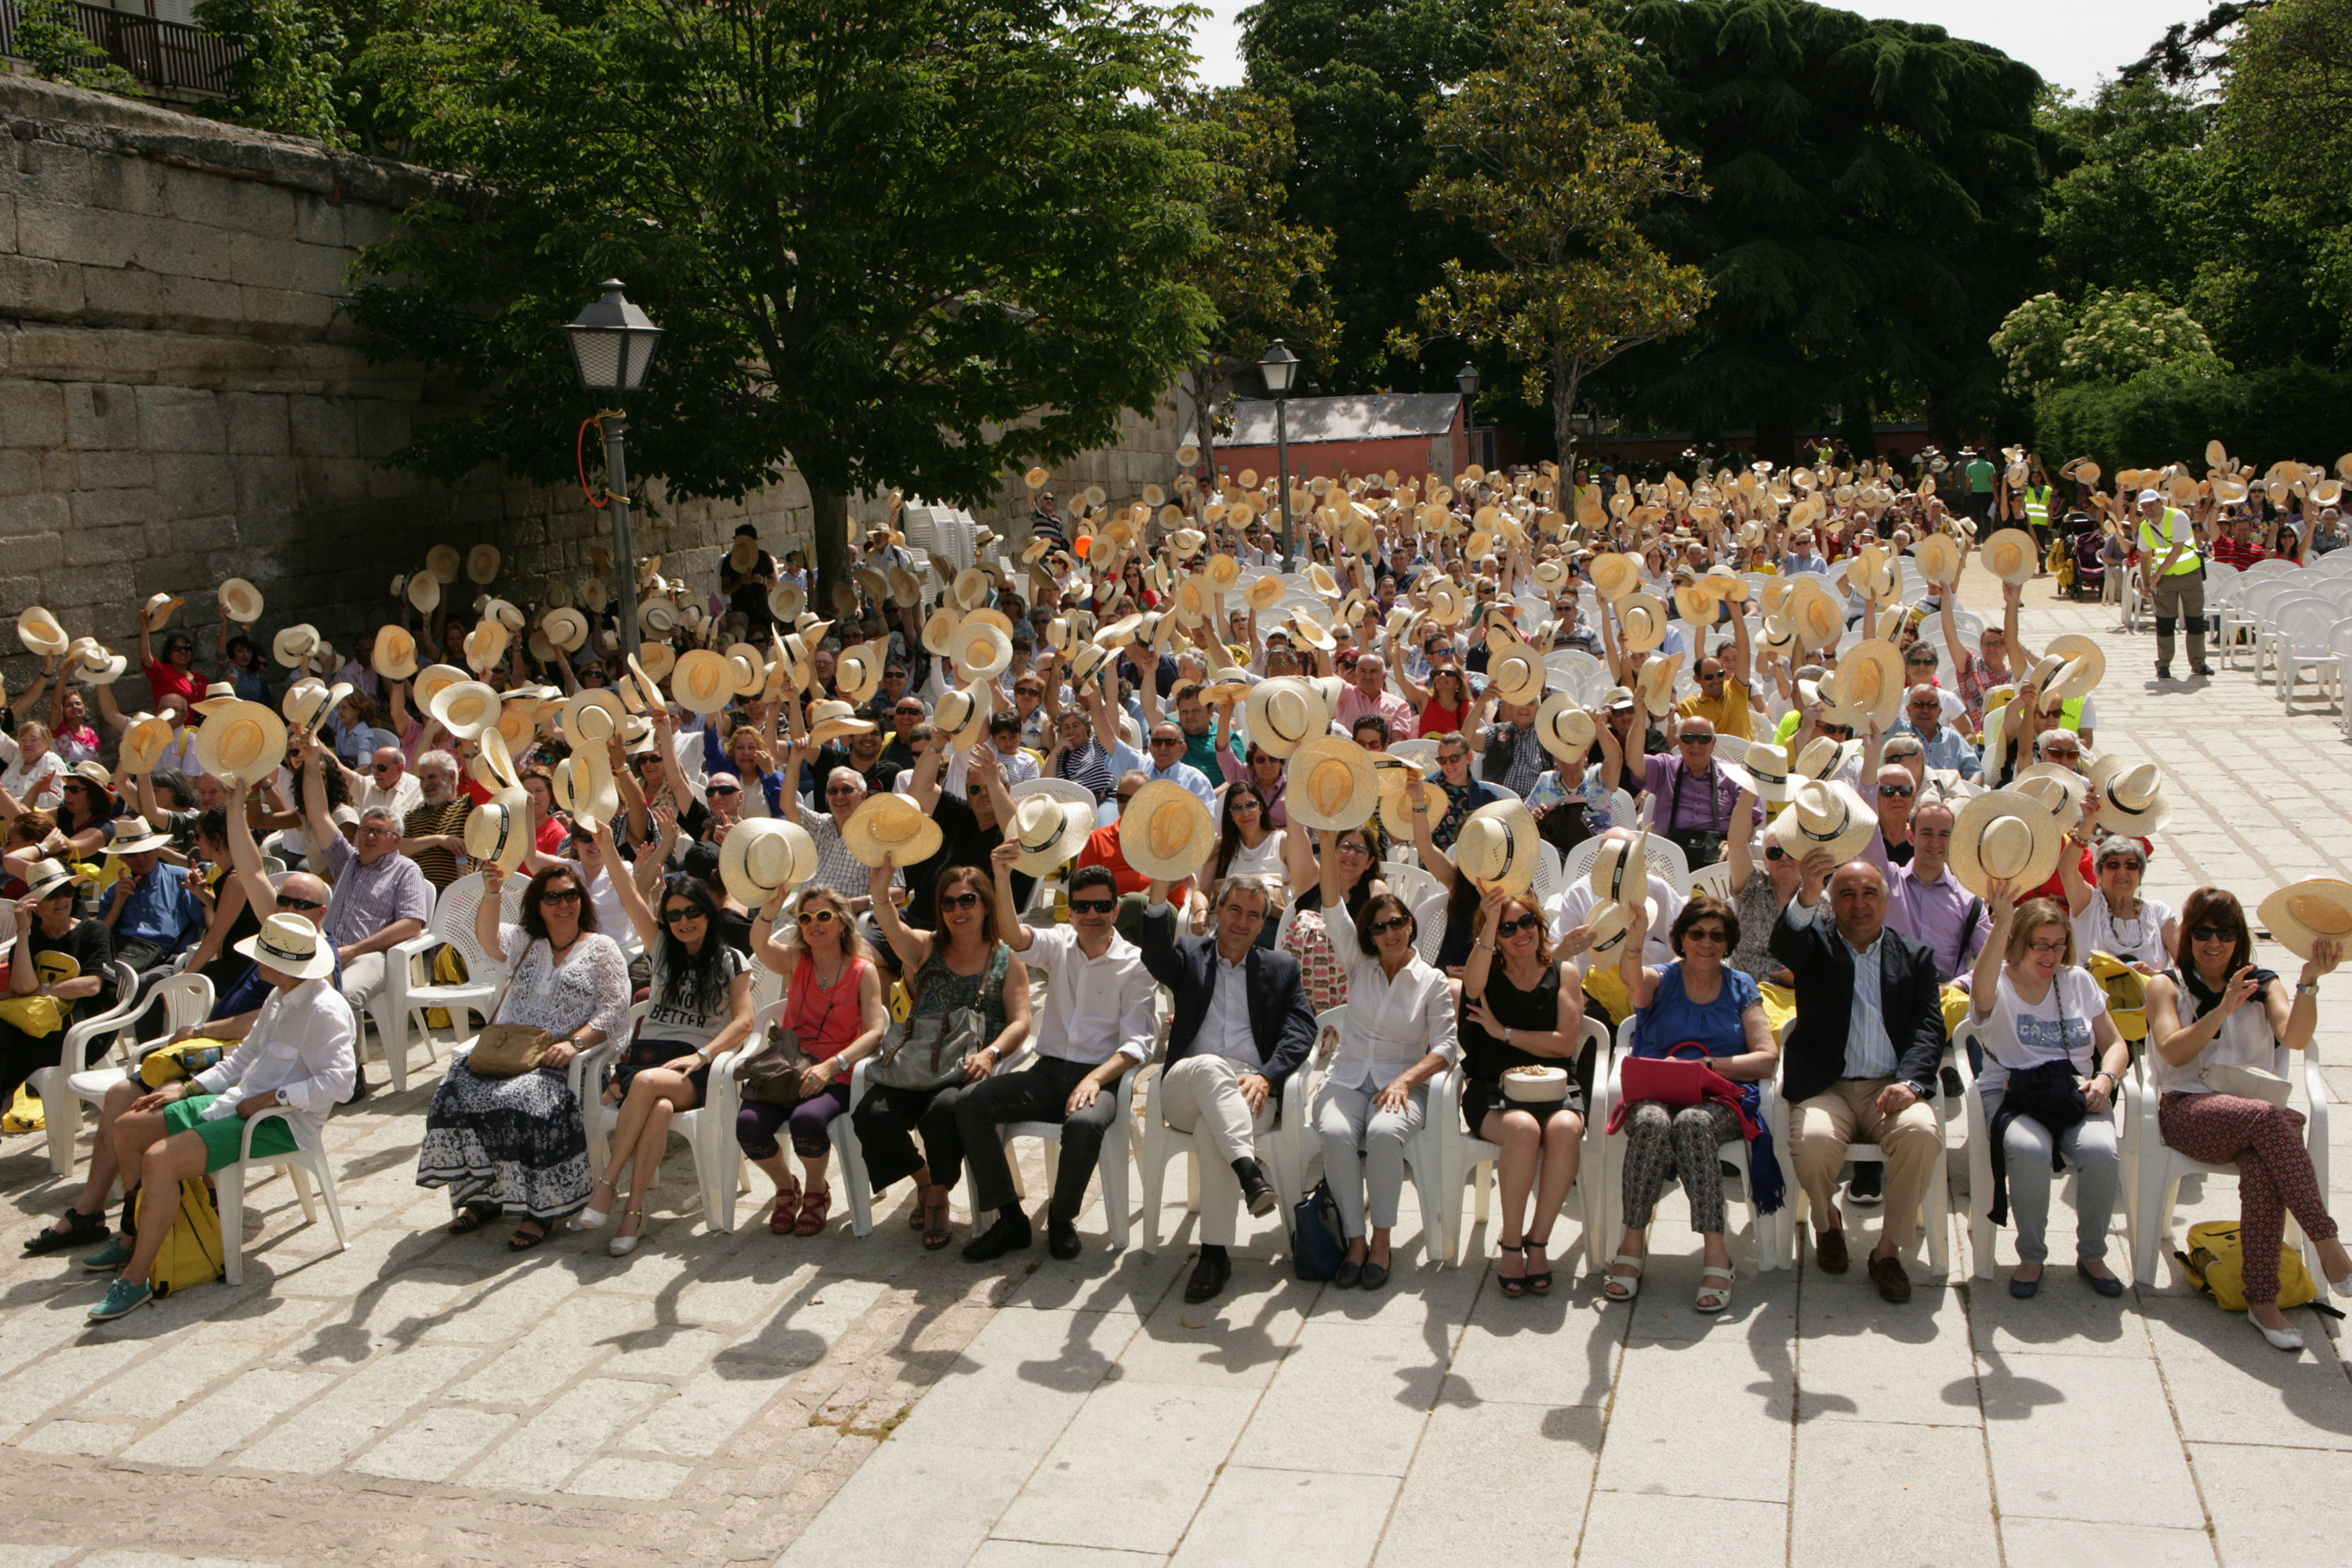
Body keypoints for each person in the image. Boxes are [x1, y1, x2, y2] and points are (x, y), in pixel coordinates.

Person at [78, 913, 354, 1321]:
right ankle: (133, 1234)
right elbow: (242, 1059)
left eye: (262, 956)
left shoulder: (324, 1010)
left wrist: (271, 1098)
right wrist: (186, 1088)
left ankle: (137, 1279)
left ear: (283, 964)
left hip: (279, 1124)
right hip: (238, 1105)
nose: (254, 962)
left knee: (159, 1158)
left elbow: (341, 1084)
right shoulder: (279, 996)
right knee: (129, 1128)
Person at [2143, 888, 2352, 1350]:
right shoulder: (2166, 983)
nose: (2213, 943)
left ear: (2239, 938)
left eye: (2226, 933)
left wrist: (2309, 982)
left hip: (2256, 1118)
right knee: (2271, 1121)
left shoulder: (2263, 981)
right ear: (2188, 935)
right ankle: (2328, 1243)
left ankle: (2262, 1303)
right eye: (2203, 932)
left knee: (2263, 1164)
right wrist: (2223, 1009)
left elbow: (2294, 1038)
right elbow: (2171, 1050)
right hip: (2187, 1110)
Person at [415, 861, 631, 1249]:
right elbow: (487, 939)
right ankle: (483, 1195)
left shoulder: (602, 948)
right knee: (452, 1094)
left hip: (564, 1060)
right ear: (538, 904)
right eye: (553, 897)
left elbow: (614, 1010)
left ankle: (540, 1210)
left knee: (520, 1099)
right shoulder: (526, 941)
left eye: (571, 895)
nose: (564, 904)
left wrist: (575, 1043)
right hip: (510, 1051)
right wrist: (493, 892)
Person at [957, 853, 1156, 1261]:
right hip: (1048, 1074)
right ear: (1071, 911)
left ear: (1115, 910)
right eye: (1082, 906)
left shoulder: (1135, 965)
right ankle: (1010, 1218)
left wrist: (1095, 1079)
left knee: (1083, 1126)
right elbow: (1014, 936)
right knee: (970, 1103)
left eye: (1102, 906)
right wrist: (1001, 873)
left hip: (1101, 1076)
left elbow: (1137, 1044)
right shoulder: (1060, 942)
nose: (1092, 915)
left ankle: (1062, 1220)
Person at [1136, 872, 1318, 1303]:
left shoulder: (1280, 968)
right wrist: (1159, 896)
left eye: (1254, 915)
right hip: (1187, 1083)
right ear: (1217, 910)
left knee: (1210, 1132)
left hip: (1251, 1089)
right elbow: (1155, 957)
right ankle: (1249, 1171)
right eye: (1234, 909)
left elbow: (1301, 1030)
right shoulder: (1190, 953)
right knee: (1210, 1068)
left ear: (1262, 924)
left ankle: (1214, 1254)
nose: (1242, 921)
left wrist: (1267, 1075)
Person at [1773, 854, 1946, 1303]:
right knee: (1810, 1144)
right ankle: (1827, 1221)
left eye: (1870, 893)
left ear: (1886, 900)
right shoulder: (1816, 947)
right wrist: (1807, 892)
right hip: (1826, 1087)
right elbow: (1784, 946)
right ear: (1832, 901)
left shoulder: (1915, 956)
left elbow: (1929, 1027)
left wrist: (1910, 1083)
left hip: (1890, 1087)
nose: (1859, 904)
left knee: (1923, 1134)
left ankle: (1887, 1253)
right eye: (1846, 893)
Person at [581, 829, 757, 1256]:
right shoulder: (661, 947)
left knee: (646, 1087)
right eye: (675, 914)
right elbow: (627, 895)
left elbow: (745, 1021)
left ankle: (606, 1186)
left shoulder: (731, 959)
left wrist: (703, 1055)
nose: (684, 921)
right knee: (655, 1105)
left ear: (709, 911)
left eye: (693, 911)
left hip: (694, 1070)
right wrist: (608, 845)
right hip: (648, 1062)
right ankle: (633, 1212)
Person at [1608, 896, 1780, 1312]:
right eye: (1697, 933)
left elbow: (1767, 1057)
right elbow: (1631, 980)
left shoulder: (1741, 986)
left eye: (1717, 935)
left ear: (1728, 942)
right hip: (1656, 1093)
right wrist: (1635, 936)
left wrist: (1709, 1064)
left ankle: (1716, 1252)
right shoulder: (1662, 980)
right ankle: (1632, 1242)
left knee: (1692, 1124)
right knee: (1650, 1122)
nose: (1707, 942)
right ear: (1682, 938)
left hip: (1718, 1096)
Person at [858, 858, 1031, 1250]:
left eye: (968, 900)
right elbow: (890, 926)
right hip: (917, 1061)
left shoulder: (1006, 960)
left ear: (985, 904)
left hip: (965, 1068)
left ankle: (937, 1197)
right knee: (871, 1116)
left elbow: (1021, 1022)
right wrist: (881, 891)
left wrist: (991, 1053)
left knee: (944, 1112)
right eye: (949, 903)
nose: (958, 911)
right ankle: (925, 1180)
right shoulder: (926, 947)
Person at [1966, 887, 2129, 1298]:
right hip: (2012, 1093)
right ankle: (2031, 1256)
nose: (2050, 955)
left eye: (2058, 946)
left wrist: (2107, 1079)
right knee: (2029, 1150)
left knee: (2100, 1151)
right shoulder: (1998, 982)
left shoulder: (2078, 982)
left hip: (2073, 1092)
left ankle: (2092, 1254)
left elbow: (2116, 1046)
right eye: (2040, 945)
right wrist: (2001, 921)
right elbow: (1982, 995)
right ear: (2018, 943)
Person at [1308, 834, 1456, 1288]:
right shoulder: (1360, 965)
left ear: (1410, 924)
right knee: (1334, 1132)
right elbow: (1332, 905)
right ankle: (1354, 1239)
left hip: (1403, 1084)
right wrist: (1330, 844)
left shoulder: (1431, 982)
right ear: (1368, 935)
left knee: (1384, 1132)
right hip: (1348, 1078)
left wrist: (1406, 1081)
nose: (1389, 933)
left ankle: (1382, 1240)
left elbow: (1446, 1048)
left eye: (1396, 924)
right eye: (1378, 928)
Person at [1458, 887, 1588, 1297]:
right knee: (1524, 1130)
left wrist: (1504, 1033)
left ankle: (1538, 1240)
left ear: (1540, 924)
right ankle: (1511, 1241)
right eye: (1507, 927)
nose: (1520, 934)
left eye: (1527, 922)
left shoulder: (1564, 972)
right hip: (1492, 1086)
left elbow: (1564, 1044)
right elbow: (1473, 987)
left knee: (1566, 1130)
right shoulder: (1486, 973)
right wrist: (1488, 920)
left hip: (1554, 1083)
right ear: (1494, 938)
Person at [742, 883, 887, 1236]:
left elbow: (876, 1031)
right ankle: (784, 1187)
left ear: (842, 923)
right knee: (748, 1125)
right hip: (789, 1069)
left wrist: (833, 1064)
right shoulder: (796, 961)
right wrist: (770, 909)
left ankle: (816, 1190)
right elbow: (759, 944)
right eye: (806, 918)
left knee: (808, 1121)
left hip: (836, 1075)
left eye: (824, 916)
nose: (814, 925)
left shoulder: (861, 970)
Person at [0, 858, 117, 1120]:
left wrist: (41, 990)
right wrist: (22, 930)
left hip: (84, 1026)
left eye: (67, 892)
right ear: (35, 904)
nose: (62, 900)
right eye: (53, 895)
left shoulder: (92, 931)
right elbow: (22, 987)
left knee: (10, 1060)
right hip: (37, 1023)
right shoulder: (30, 938)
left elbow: (91, 985)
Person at [1642, 716, 1760, 870]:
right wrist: (1639, 715)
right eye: (1688, 738)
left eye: (1704, 738)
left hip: (1720, 853)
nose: (1696, 744)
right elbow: (1633, 761)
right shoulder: (1666, 767)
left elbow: (1749, 818)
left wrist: (1735, 846)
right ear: (1679, 741)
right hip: (1668, 855)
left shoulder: (1733, 774)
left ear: (1713, 742)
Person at [2061, 836, 2176, 972]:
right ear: (2100, 874)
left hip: (2152, 991)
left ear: (2140, 875)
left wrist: (2154, 975)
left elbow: (2189, 964)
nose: (2122, 871)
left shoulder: (2159, 913)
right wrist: (2087, 824)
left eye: (2131, 865)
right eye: (2113, 865)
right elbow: (2066, 867)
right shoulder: (2087, 904)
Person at [2136, 487, 2212, 680]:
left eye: (2151, 505)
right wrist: (2147, 584)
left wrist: (2156, 576)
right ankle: (2163, 665)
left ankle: (2199, 663)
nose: (2148, 509)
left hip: (2189, 574)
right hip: (2166, 580)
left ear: (2160, 502)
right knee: (2164, 622)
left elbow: (2177, 550)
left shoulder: (2178, 517)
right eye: (2144, 507)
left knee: (2195, 620)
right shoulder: (2145, 527)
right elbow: (2145, 557)